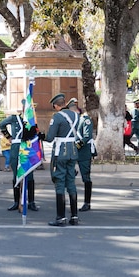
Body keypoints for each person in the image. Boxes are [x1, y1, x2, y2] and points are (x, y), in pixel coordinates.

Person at [44, 93, 80, 226]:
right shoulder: (76, 115)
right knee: (71, 182)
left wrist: (40, 135)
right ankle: (74, 216)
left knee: (59, 182)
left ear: (55, 105)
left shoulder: (57, 117)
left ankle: (61, 217)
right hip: (73, 151)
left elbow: (50, 137)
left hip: (61, 152)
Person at [0, 111, 39, 212]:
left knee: (29, 174)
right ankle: (16, 202)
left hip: (27, 147)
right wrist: (8, 136)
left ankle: (31, 202)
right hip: (16, 148)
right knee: (16, 175)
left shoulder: (31, 120)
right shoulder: (14, 118)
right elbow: (2, 124)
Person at [69, 98, 95, 212]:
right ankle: (72, 202)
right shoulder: (71, 121)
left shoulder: (85, 120)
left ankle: (87, 202)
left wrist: (76, 146)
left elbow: (87, 136)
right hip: (72, 152)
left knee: (86, 178)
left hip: (83, 153)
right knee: (69, 176)